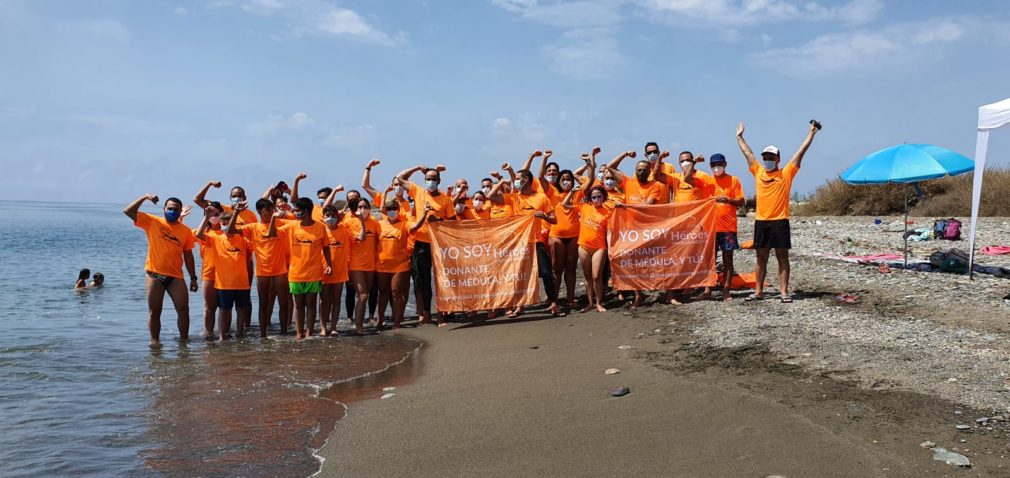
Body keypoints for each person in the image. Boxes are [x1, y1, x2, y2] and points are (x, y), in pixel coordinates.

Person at [737, 120, 820, 303]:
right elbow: (747, 153)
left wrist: (811, 133)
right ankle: (758, 291)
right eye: (765, 157)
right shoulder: (758, 171)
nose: (767, 160)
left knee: (782, 257)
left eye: (771, 157)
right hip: (761, 221)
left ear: (778, 159)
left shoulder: (786, 173)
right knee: (761, 258)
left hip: (780, 221)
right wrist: (740, 137)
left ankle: (784, 292)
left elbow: (801, 152)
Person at [124, 194, 198, 346]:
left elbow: (188, 255)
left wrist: (193, 277)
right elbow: (128, 211)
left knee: (183, 310)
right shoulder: (152, 221)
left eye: (176, 209)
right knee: (154, 311)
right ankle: (155, 342)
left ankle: (184, 342)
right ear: (164, 209)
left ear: (180, 211)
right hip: (154, 274)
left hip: (176, 277)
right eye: (170, 209)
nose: (173, 211)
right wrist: (144, 197)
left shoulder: (186, 231)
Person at [605, 150, 666, 308]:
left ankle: (665, 292)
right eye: (639, 169)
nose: (642, 172)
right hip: (631, 231)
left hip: (648, 229)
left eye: (645, 170)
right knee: (633, 264)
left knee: (657, 262)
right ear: (635, 171)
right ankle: (638, 295)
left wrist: (625, 207)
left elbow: (648, 206)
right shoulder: (628, 182)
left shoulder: (655, 185)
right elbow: (610, 167)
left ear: (649, 171)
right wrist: (624, 155)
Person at [503, 164, 565, 318]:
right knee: (520, 274)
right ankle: (520, 306)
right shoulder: (514, 197)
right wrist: (509, 172)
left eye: (518, 179)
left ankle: (553, 304)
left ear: (527, 180)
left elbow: (554, 219)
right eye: (515, 179)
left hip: (536, 240)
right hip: (519, 243)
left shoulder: (541, 197)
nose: (515, 182)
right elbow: (491, 196)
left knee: (545, 272)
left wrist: (544, 216)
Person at [396, 164, 452, 326]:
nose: (431, 182)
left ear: (439, 181)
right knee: (423, 280)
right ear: (424, 180)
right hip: (421, 244)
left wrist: (439, 221)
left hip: (439, 244)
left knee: (442, 280)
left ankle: (442, 313)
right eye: (428, 179)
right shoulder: (418, 191)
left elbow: (453, 222)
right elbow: (400, 177)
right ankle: (426, 313)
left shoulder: (445, 199)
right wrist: (417, 167)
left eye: (434, 179)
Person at [271, 197, 332, 339]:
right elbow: (273, 233)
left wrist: (328, 264)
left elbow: (326, 247)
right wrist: (274, 218)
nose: (295, 213)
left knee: (311, 304)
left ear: (306, 211)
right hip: (296, 272)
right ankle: (299, 334)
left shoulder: (320, 227)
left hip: (314, 273)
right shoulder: (292, 225)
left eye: (298, 211)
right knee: (298, 305)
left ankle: (309, 332)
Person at [197, 205, 253, 340]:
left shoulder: (244, 240)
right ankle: (219, 337)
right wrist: (206, 217)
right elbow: (198, 235)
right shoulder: (216, 238)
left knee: (241, 309)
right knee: (222, 310)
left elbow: (250, 258)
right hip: (223, 283)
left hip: (241, 283)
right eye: (223, 223)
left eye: (228, 223)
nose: (225, 226)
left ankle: (239, 334)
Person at [239, 198, 293, 336]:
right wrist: (236, 212)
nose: (269, 212)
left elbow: (300, 222)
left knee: (284, 303)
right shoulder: (252, 227)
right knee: (263, 303)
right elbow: (231, 230)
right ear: (259, 211)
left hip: (280, 270)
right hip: (262, 271)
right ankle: (263, 335)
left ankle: (284, 332)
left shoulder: (281, 224)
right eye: (266, 210)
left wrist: (288, 210)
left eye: (271, 209)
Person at [704, 153, 746, 301]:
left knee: (728, 258)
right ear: (710, 166)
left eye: (719, 164)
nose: (717, 167)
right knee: (710, 259)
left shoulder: (734, 180)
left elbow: (741, 201)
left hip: (728, 227)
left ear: (725, 164)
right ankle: (708, 288)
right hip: (710, 227)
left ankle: (726, 289)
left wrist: (729, 200)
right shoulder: (707, 181)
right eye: (714, 165)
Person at [376, 196, 414, 329]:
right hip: (381, 264)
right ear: (385, 211)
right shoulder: (379, 224)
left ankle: (397, 322)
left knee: (396, 292)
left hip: (400, 264)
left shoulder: (404, 224)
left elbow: (416, 227)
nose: (392, 210)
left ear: (398, 210)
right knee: (383, 293)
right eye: (389, 209)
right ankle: (379, 320)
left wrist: (425, 214)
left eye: (394, 208)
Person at [548, 168, 581, 309]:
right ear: (559, 181)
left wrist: (589, 162)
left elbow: (590, 180)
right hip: (556, 235)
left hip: (574, 235)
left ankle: (570, 298)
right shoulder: (552, 193)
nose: (566, 181)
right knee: (557, 269)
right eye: (563, 179)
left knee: (571, 268)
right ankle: (553, 300)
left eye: (569, 179)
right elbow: (540, 175)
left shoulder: (578, 193)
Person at [347, 197, 380, 334]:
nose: (363, 210)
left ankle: (363, 321)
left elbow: (379, 240)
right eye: (360, 207)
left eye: (365, 207)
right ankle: (358, 327)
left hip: (371, 264)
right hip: (356, 264)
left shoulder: (375, 222)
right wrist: (361, 221)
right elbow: (361, 237)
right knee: (363, 295)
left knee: (367, 293)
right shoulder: (350, 222)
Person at [193, 201, 224, 337]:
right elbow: (183, 235)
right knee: (209, 308)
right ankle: (209, 334)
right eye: (210, 213)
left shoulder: (226, 231)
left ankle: (224, 334)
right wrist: (206, 217)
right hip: (209, 274)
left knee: (225, 308)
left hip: (225, 275)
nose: (214, 216)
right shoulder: (202, 231)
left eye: (216, 213)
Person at [320, 203, 351, 336]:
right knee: (324, 300)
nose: (331, 218)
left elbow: (359, 240)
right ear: (323, 217)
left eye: (333, 215)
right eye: (328, 215)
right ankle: (323, 327)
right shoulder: (321, 230)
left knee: (336, 299)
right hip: (323, 270)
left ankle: (333, 327)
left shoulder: (344, 230)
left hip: (340, 270)